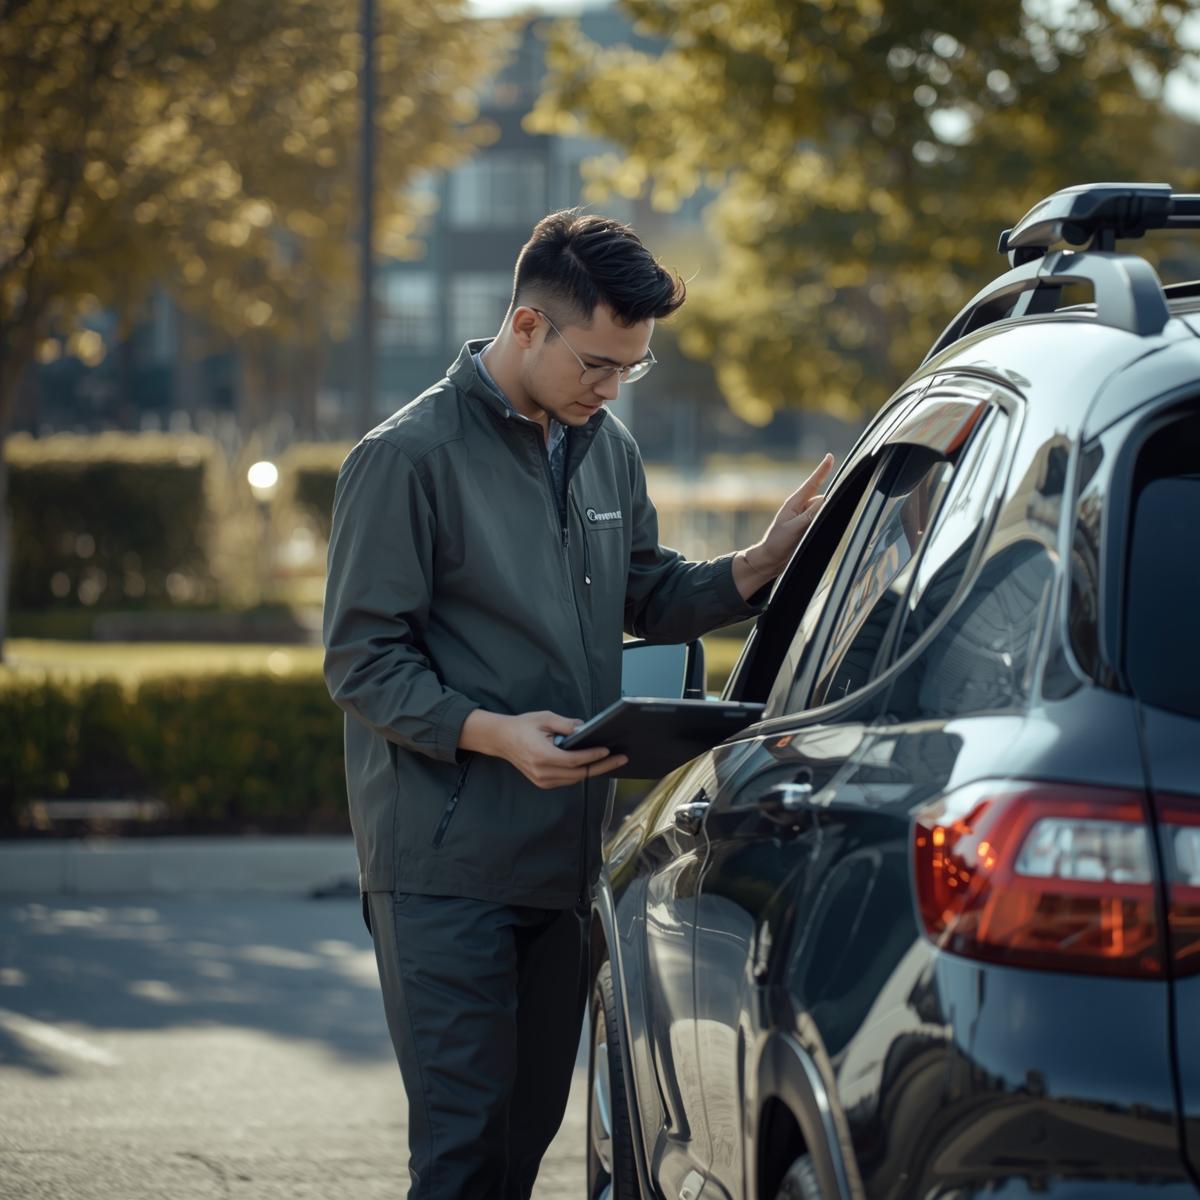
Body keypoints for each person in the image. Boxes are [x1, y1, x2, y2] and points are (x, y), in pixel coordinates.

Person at [321, 210, 833, 1200]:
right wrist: (492, 735)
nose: (610, 388)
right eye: (598, 362)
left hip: (565, 858)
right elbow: (361, 660)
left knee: (523, 1142)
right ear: (526, 327)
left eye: (629, 369)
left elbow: (648, 589)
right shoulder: (404, 459)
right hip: (443, 867)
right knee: (465, 1151)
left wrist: (759, 563)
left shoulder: (605, 450)